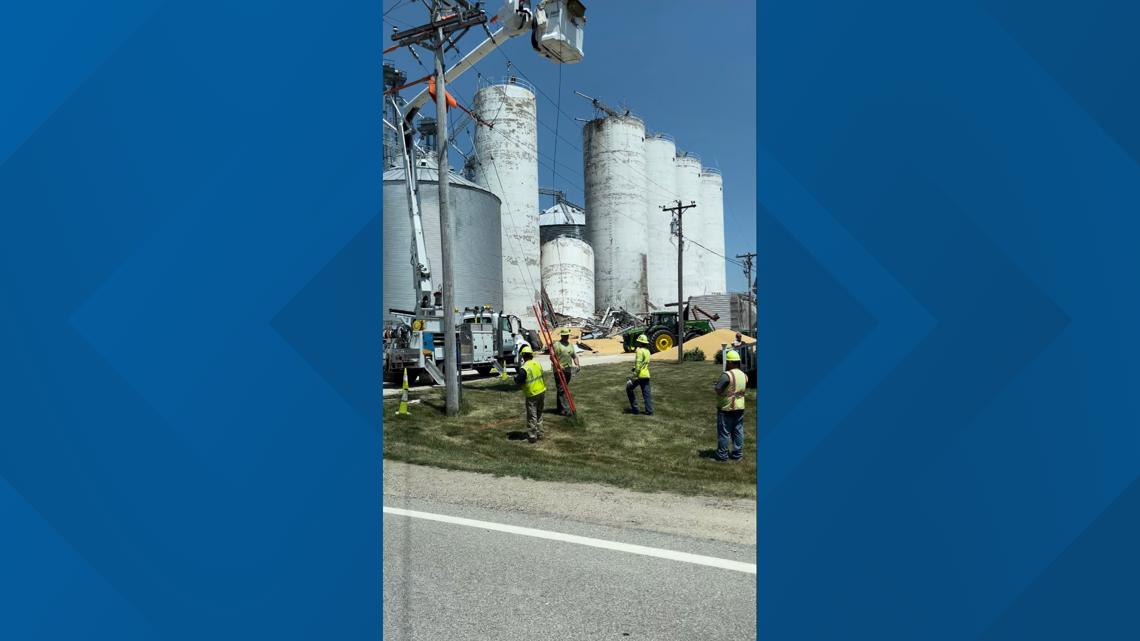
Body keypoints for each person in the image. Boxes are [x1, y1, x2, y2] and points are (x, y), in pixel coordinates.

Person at [714, 349, 748, 461]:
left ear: (730, 362)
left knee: (724, 433)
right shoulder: (744, 375)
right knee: (738, 431)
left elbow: (718, 389)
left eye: (728, 362)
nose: (727, 364)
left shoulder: (727, 375)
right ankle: (737, 455)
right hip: (739, 407)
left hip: (726, 407)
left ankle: (722, 456)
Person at [513, 345, 546, 443]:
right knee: (539, 414)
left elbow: (519, 381)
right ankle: (540, 433)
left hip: (532, 394)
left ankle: (532, 436)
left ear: (523, 356)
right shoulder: (537, 363)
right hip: (541, 391)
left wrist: (515, 379)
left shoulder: (524, 368)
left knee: (532, 415)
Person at [551, 328, 580, 416]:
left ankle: (560, 409)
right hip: (559, 370)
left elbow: (574, 356)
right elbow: (552, 357)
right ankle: (566, 409)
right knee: (562, 389)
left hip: (568, 370)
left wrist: (577, 364)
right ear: (562, 335)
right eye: (565, 335)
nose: (566, 337)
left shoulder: (570, 345)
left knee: (563, 389)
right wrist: (559, 365)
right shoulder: (557, 344)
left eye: (567, 335)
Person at [626, 334, 654, 415]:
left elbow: (638, 366)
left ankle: (635, 409)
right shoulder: (648, 351)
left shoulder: (639, 351)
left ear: (640, 343)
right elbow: (644, 363)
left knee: (629, 388)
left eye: (638, 342)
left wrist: (633, 375)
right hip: (646, 375)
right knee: (646, 394)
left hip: (639, 376)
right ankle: (649, 411)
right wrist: (635, 367)